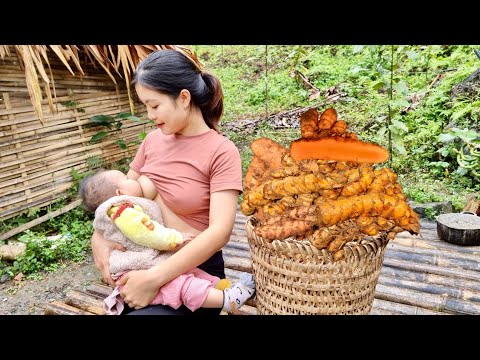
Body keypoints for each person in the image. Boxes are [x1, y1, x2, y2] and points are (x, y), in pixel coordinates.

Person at [90, 48, 246, 315]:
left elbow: (220, 232)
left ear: (183, 98)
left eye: (154, 105)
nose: (150, 115)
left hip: (192, 276)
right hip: (143, 263)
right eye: (146, 107)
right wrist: (99, 240)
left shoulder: (222, 151)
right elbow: (122, 200)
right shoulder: (152, 141)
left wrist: (155, 278)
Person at [79, 170, 255, 315]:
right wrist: (174, 239)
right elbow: (145, 233)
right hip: (142, 266)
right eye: (127, 178)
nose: (132, 178)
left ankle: (220, 287)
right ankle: (228, 300)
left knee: (188, 276)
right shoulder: (124, 210)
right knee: (181, 287)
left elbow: (220, 231)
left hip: (166, 264)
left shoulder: (120, 208)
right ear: (120, 193)